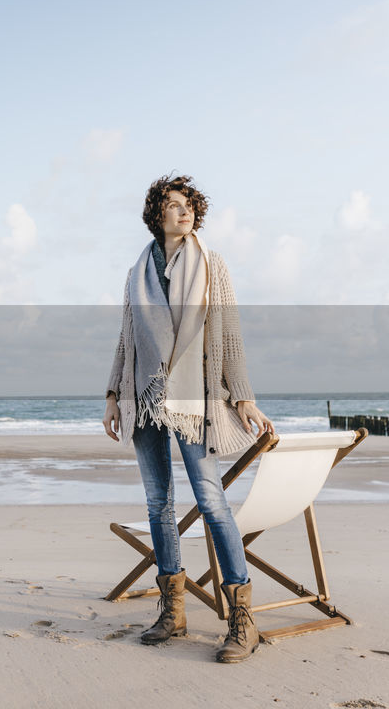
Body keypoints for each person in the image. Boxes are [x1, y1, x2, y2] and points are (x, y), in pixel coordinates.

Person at [102, 173, 275, 663]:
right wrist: (114, 393)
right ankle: (172, 610)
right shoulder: (138, 271)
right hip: (145, 397)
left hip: (193, 399)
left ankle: (242, 616)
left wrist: (241, 396)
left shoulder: (211, 265)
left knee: (211, 501)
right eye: (174, 206)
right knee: (159, 503)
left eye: (190, 206)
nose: (185, 213)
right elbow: (126, 336)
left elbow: (230, 332)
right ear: (157, 215)